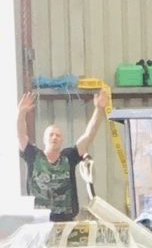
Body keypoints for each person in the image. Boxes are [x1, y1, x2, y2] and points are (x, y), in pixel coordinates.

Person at [20, 86, 114, 223]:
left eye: (58, 135)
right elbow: (20, 135)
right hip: (39, 221)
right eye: (51, 135)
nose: (54, 137)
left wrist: (99, 110)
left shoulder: (69, 157)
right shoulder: (33, 155)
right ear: (44, 139)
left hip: (66, 221)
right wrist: (21, 113)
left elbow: (89, 135)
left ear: (62, 140)